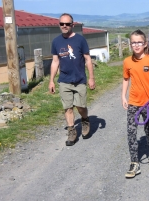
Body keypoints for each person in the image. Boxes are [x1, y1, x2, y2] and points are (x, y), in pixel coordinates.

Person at [122, 30, 149, 178]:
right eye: (133, 42)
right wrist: (123, 96)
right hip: (134, 102)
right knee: (131, 133)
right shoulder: (127, 61)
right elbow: (126, 79)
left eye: (139, 42)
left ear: (145, 44)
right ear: (130, 44)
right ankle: (134, 163)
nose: (136, 45)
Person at [49, 13, 95, 146]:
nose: (64, 26)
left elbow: (87, 59)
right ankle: (71, 131)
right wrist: (51, 80)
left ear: (72, 25)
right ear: (59, 25)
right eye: (62, 24)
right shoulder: (56, 41)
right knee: (68, 108)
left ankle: (85, 120)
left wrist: (91, 78)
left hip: (79, 79)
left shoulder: (80, 40)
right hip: (64, 80)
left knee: (81, 106)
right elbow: (55, 61)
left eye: (67, 24)